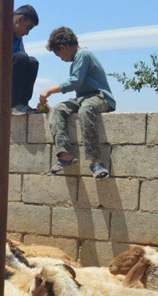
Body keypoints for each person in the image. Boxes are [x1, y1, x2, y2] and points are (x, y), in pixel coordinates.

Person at [40, 26, 116, 180]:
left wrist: (49, 90)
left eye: (59, 54)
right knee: (56, 110)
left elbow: (75, 81)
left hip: (100, 97)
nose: (61, 59)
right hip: (82, 98)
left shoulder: (83, 54)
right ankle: (65, 156)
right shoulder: (75, 62)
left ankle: (96, 162)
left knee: (86, 110)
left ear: (63, 47)